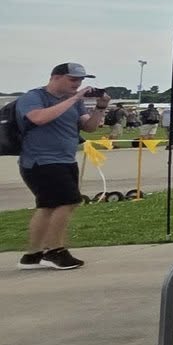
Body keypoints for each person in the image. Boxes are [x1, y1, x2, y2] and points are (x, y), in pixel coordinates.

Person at [14, 62, 107, 271]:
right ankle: (54, 250)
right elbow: (38, 118)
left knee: (47, 206)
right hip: (40, 160)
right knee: (68, 201)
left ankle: (33, 254)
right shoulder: (34, 97)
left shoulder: (74, 102)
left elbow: (89, 126)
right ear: (55, 77)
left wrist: (100, 108)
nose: (77, 84)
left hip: (65, 159)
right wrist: (75, 98)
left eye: (81, 80)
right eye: (73, 79)